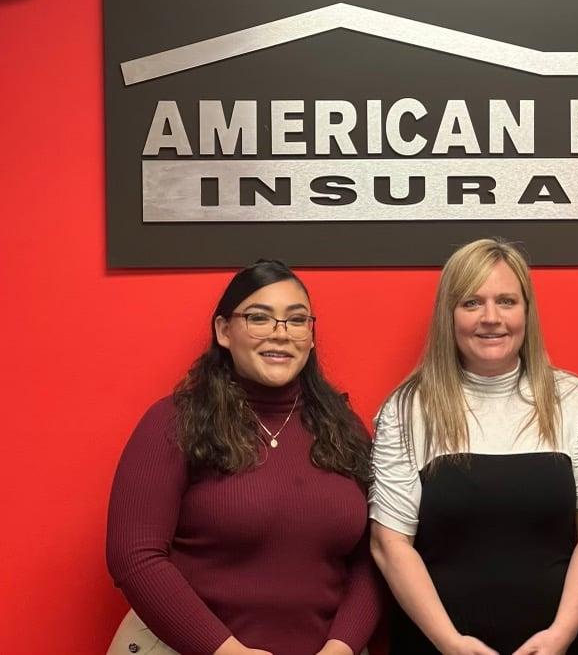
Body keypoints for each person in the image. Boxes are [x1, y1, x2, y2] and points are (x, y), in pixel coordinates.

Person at [106, 260, 382, 655]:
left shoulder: (345, 429)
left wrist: (343, 646)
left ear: (311, 336)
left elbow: (373, 556)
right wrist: (225, 651)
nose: (280, 334)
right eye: (259, 318)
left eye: (296, 320)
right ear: (223, 331)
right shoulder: (173, 421)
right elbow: (134, 554)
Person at [369, 238, 578, 655]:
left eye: (506, 301)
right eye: (471, 303)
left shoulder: (574, 400)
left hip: (559, 646)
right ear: (449, 314)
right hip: (438, 646)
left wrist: (560, 634)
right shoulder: (408, 407)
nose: (490, 318)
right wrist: (450, 642)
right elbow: (389, 543)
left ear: (526, 312)